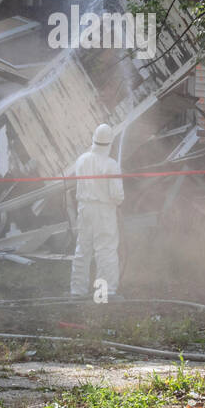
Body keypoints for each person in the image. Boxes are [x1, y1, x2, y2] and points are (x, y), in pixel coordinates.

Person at [69, 123, 124, 299]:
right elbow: (117, 195)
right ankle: (103, 293)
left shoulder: (81, 160)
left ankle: (77, 291)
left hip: (84, 209)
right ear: (110, 143)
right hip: (103, 211)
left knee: (82, 250)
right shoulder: (111, 165)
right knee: (105, 250)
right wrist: (117, 202)